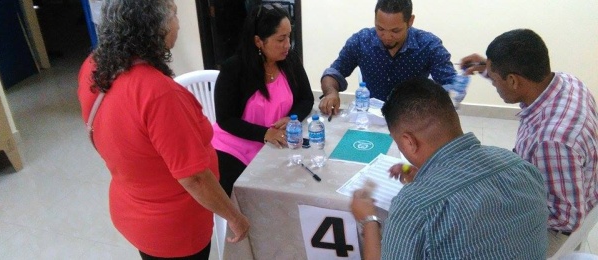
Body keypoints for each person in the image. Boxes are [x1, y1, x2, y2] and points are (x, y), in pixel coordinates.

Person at [77, 1, 249, 259]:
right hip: (176, 230)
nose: (178, 24)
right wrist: (234, 218)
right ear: (153, 29)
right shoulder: (159, 94)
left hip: (133, 209)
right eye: (174, 16)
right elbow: (195, 178)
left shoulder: (94, 65)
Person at [350, 78, 548, 259]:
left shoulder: (414, 205)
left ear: (409, 141)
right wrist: (427, 180)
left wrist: (368, 219)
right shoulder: (520, 166)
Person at [460, 28, 598, 257]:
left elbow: (565, 219)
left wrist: (503, 204)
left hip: (557, 229)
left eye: (495, 80)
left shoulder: (550, 140)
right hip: (581, 187)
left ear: (513, 80)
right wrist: (489, 68)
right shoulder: (568, 82)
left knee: (476, 235)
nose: (494, 85)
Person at [212, 3, 314, 196]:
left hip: (273, 143)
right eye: (281, 39)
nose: (287, 45)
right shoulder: (233, 70)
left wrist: (293, 116)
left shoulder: (289, 60)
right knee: (249, 196)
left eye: (289, 37)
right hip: (235, 146)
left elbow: (306, 98)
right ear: (259, 41)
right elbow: (225, 120)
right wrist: (264, 133)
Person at [319, 0, 456, 115]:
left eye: (395, 31)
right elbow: (333, 73)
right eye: (380, 28)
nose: (387, 36)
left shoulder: (428, 45)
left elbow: (450, 85)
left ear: (410, 21)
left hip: (411, 118)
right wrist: (331, 93)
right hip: (371, 116)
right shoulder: (361, 41)